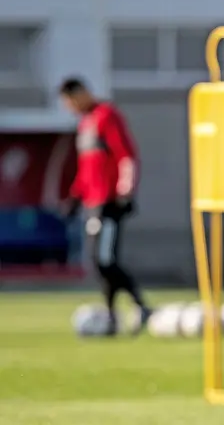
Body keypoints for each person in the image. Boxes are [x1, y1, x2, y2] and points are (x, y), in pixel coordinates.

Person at [58, 77, 152, 336]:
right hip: (92, 203)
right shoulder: (84, 124)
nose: (70, 106)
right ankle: (112, 316)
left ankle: (140, 306)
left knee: (105, 259)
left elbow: (126, 155)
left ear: (82, 93)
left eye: (70, 101)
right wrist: (75, 197)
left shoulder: (106, 116)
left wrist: (125, 188)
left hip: (110, 201)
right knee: (99, 261)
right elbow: (87, 168)